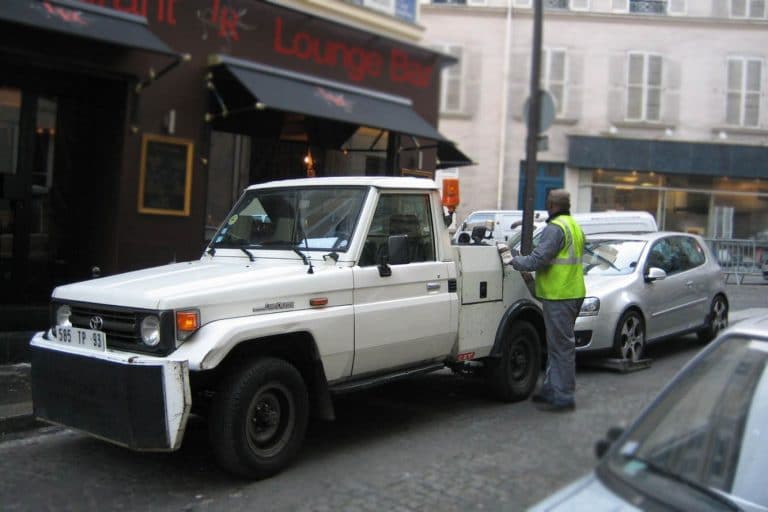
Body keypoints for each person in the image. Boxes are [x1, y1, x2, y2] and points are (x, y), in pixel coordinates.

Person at [508, 189, 585, 412]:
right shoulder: (574, 225)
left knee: (561, 347)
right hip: (572, 292)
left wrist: (513, 260)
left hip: (560, 295)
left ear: (551, 205)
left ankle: (563, 395)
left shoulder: (556, 228)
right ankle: (552, 389)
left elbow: (539, 259)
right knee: (557, 345)